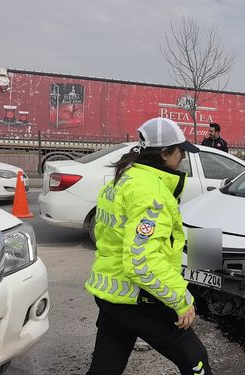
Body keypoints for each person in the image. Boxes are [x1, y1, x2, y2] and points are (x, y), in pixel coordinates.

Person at [85, 117, 211, 375]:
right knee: (196, 360)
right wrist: (181, 299)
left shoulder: (125, 178)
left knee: (105, 368)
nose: (183, 158)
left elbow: (107, 235)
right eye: (180, 151)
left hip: (111, 293)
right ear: (165, 153)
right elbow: (141, 262)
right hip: (137, 297)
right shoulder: (151, 193)